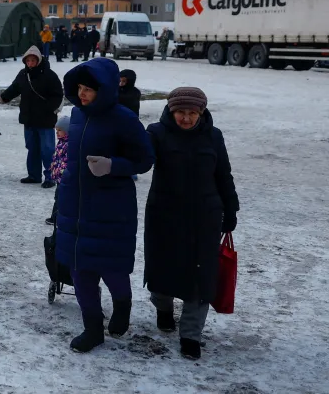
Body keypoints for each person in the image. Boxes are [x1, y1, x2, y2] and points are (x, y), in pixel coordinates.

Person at [55, 58, 155, 353]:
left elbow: (144, 160)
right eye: (80, 88)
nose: (83, 94)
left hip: (111, 207)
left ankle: (122, 304)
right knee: (79, 271)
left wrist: (113, 165)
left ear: (106, 89)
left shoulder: (124, 119)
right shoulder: (76, 114)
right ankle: (93, 328)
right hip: (76, 203)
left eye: (89, 89)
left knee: (112, 269)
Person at [144, 87, 240, 361]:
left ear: (201, 112)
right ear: (171, 111)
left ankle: (190, 335)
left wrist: (230, 209)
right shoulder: (157, 133)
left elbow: (223, 174)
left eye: (192, 113)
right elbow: (139, 160)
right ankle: (163, 308)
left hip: (204, 217)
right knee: (162, 273)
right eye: (180, 112)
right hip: (165, 215)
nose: (186, 118)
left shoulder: (213, 136)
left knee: (200, 277)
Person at [0, 46, 64, 188]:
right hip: (29, 118)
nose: (30, 63)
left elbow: (58, 95)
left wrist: (49, 109)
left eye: (33, 60)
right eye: (28, 61)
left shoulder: (49, 75)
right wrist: (1, 98)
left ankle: (50, 177)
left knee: (47, 149)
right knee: (32, 147)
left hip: (45, 119)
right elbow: (14, 89)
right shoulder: (23, 74)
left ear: (38, 60)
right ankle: (34, 175)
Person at [45, 115, 70, 226]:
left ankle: (56, 218)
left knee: (61, 198)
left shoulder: (68, 145)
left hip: (64, 177)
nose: (57, 133)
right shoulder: (60, 143)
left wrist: (62, 171)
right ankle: (55, 217)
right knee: (58, 197)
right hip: (59, 176)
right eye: (56, 130)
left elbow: (67, 160)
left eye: (60, 130)